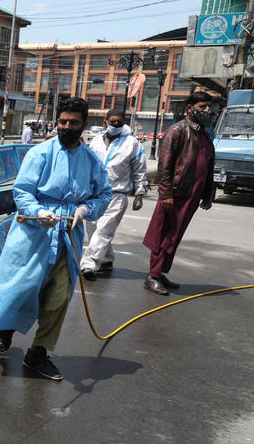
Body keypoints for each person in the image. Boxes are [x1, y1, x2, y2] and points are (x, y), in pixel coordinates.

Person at [0, 97, 112, 380]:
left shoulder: (92, 160)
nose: (67, 127)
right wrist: (37, 211)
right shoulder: (40, 154)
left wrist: (85, 209)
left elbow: (104, 194)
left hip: (68, 235)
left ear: (84, 125)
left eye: (73, 123)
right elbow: (22, 191)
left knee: (58, 298)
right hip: (35, 232)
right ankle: (5, 329)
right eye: (62, 122)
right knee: (19, 289)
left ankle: (38, 354)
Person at [142, 91, 215, 295]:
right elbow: (165, 166)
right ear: (190, 108)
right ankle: (152, 276)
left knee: (175, 235)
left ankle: (160, 272)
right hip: (176, 194)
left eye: (209, 106)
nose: (207, 110)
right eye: (202, 107)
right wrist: (165, 194)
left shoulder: (203, 133)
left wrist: (207, 195)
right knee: (165, 233)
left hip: (192, 194)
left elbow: (207, 166)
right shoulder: (177, 131)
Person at [80, 109, 148, 280]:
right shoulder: (96, 141)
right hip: (94, 194)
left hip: (117, 194)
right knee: (93, 228)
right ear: (105, 122)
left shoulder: (132, 144)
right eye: (113, 121)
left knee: (104, 230)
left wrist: (139, 193)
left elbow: (140, 170)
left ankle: (88, 264)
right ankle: (107, 259)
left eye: (119, 122)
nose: (116, 125)